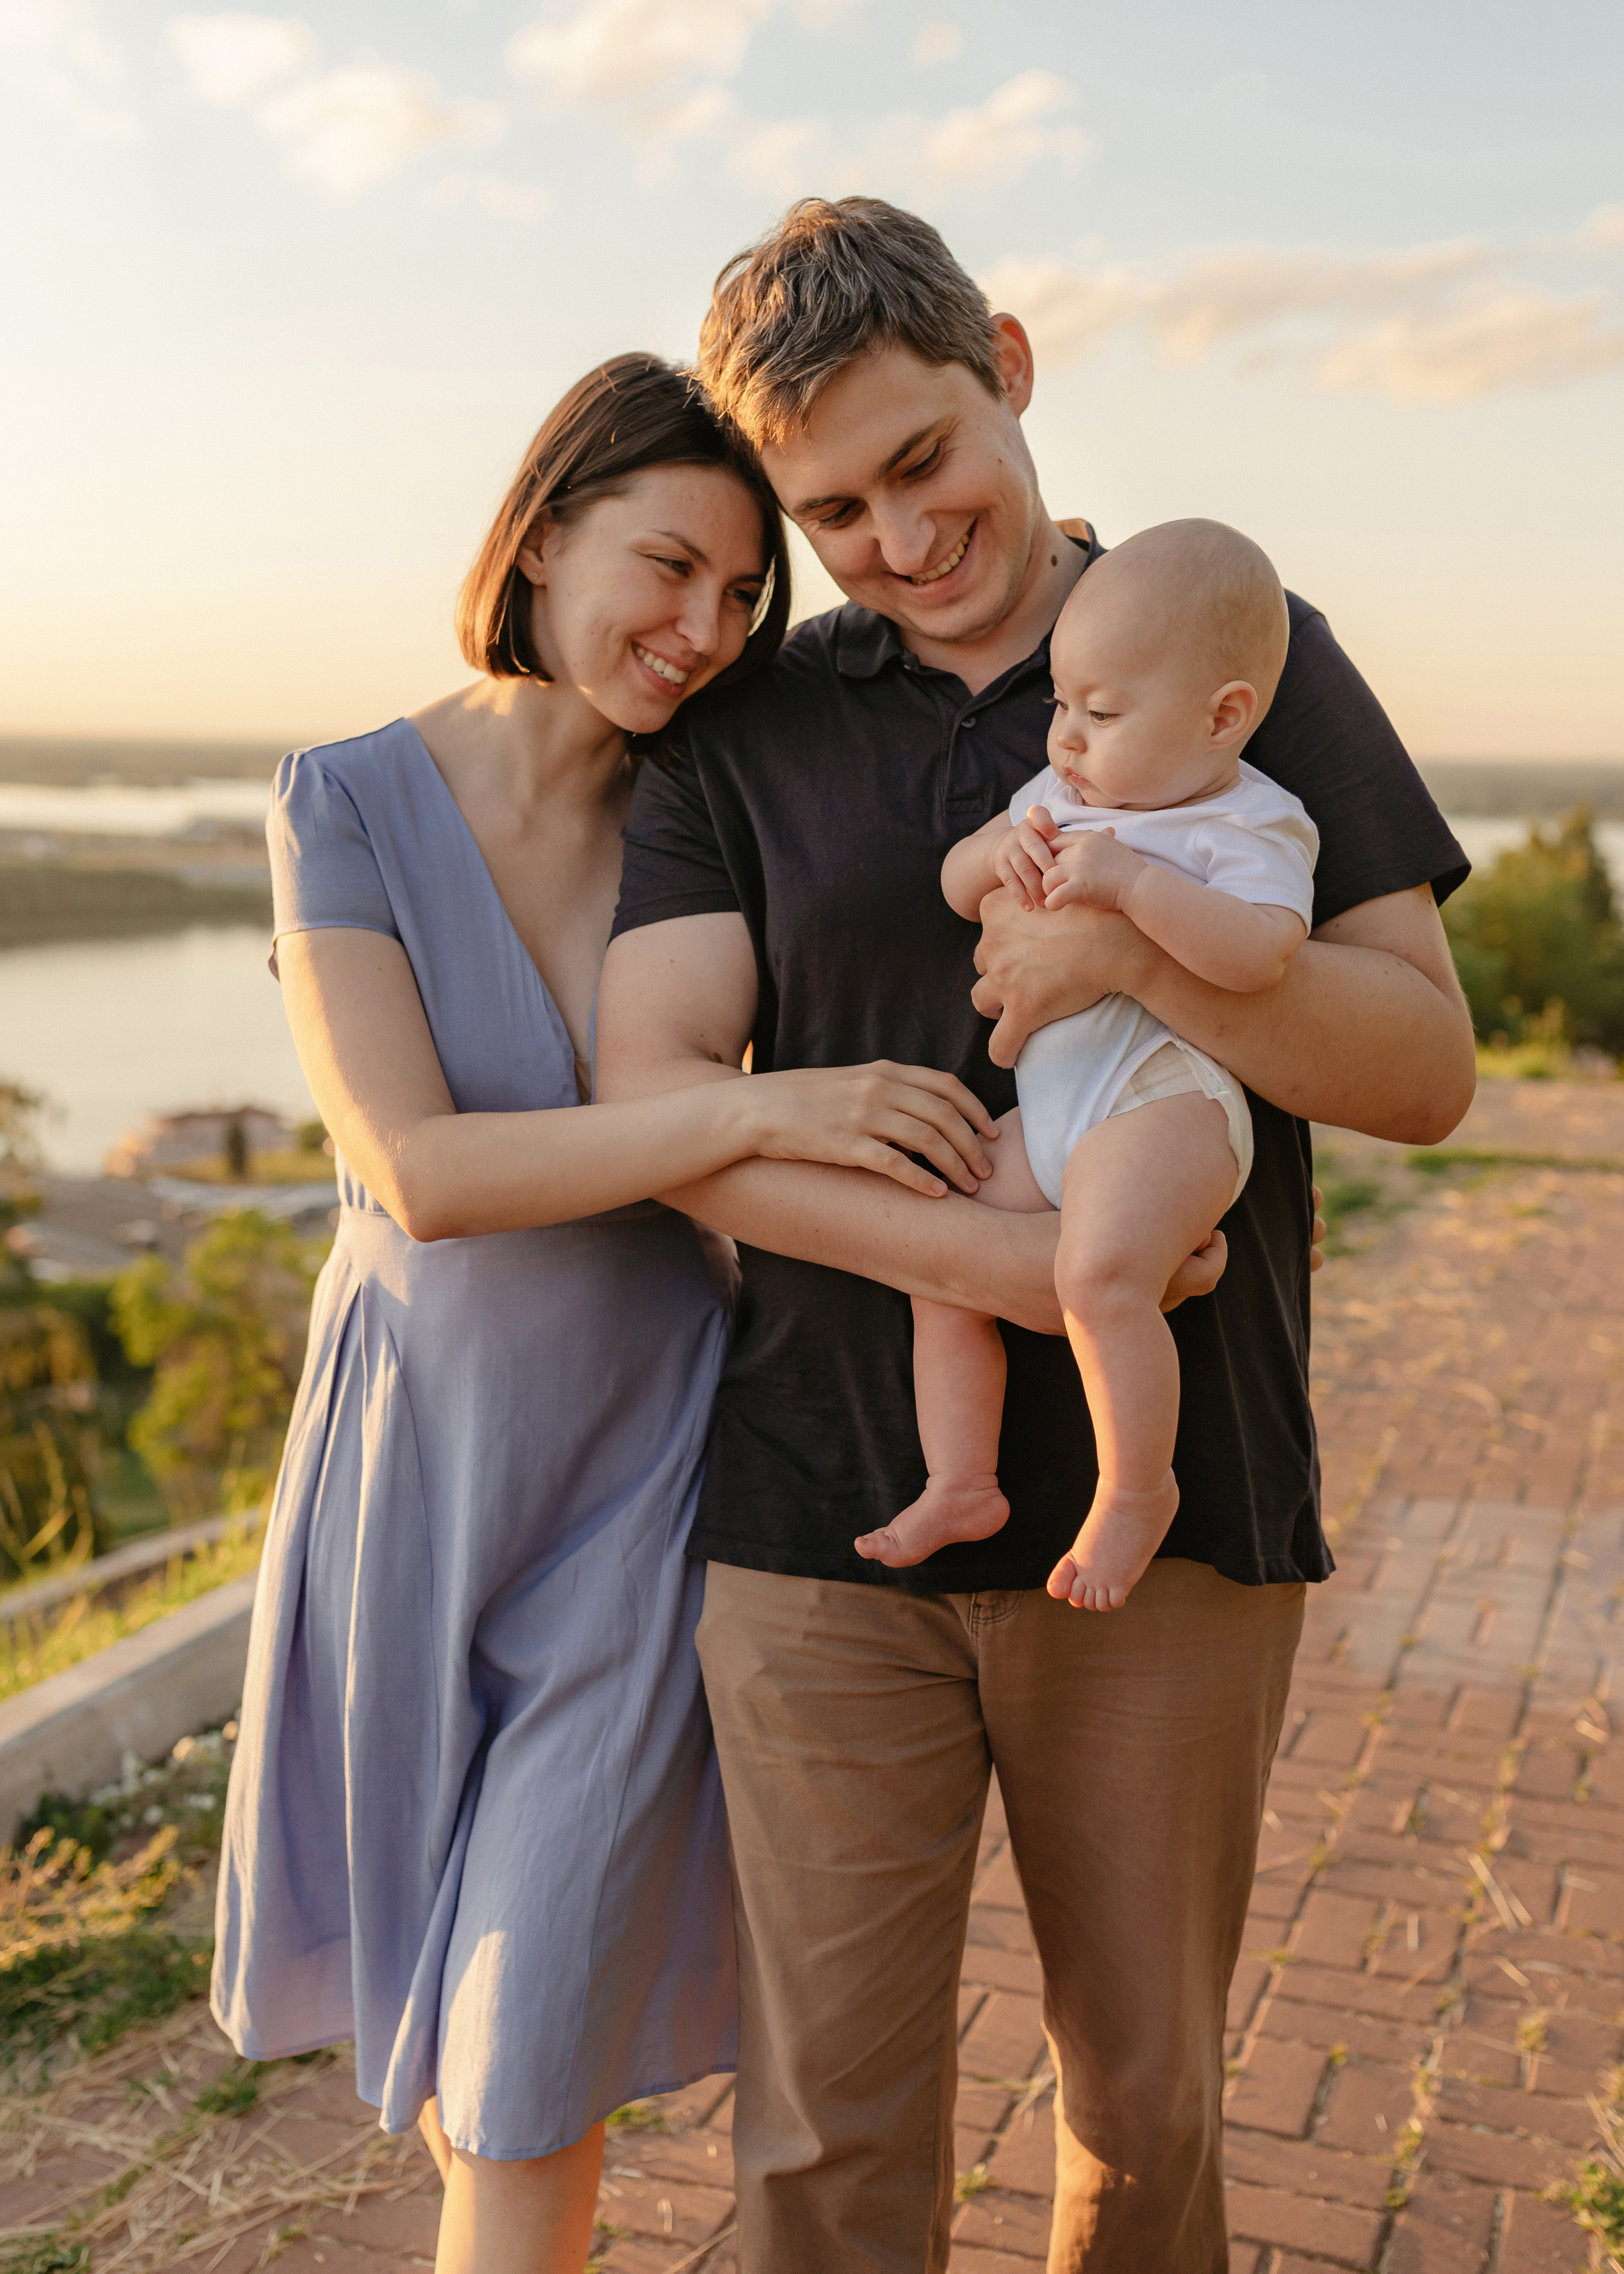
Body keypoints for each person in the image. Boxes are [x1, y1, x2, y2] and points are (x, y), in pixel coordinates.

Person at [594, 200, 1474, 2273]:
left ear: (1005, 359)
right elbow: (658, 1106)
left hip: (1178, 1519)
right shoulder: (749, 727)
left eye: (926, 462)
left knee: (1146, 2109)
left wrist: (1134, 962)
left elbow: (1424, 1068)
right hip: (822, 1520)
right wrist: (1006, 1271)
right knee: (823, 2140)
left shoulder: (1248, 651)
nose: (899, 540)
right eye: (837, 509)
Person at [210, 352, 1005, 2274]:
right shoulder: (344, 803)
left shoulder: (711, 798)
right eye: (668, 567)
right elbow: (422, 1172)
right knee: (459, 2014)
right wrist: (741, 1108)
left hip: (645, 1474)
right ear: (546, 526)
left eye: (745, 598)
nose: (701, 631)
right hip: (414, 1462)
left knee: (525, 2044)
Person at [856, 520, 1319, 1613]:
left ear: (1225, 716)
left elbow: (1261, 954)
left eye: (1101, 714)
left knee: (1098, 1278)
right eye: (1061, 704)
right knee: (944, 1257)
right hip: (1060, 1111)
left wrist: (1128, 890)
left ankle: (1134, 1492)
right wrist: (991, 856)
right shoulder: (1064, 797)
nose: (1065, 738)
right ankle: (963, 1480)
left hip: (1168, 1101)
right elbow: (958, 886)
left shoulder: (1244, 821)